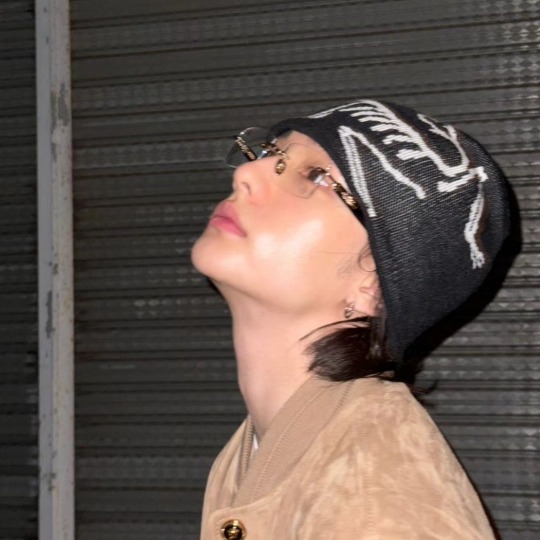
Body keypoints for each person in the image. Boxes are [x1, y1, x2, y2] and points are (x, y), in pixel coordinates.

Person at [191, 99, 511, 539]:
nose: (247, 173)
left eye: (317, 177)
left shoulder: (377, 496)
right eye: (269, 153)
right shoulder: (264, 444)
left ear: (374, 285)